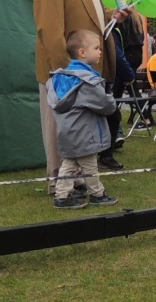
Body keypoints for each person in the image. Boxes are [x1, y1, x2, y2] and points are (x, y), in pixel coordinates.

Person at [34, 0, 129, 194]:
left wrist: (113, 13)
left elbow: (89, 10)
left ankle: (75, 180)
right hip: (63, 71)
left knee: (78, 127)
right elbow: (48, 28)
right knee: (59, 127)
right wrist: (67, 72)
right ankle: (58, 183)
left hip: (83, 70)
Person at [47, 31, 119, 208]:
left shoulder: (61, 77)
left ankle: (62, 196)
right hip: (84, 133)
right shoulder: (86, 81)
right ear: (82, 52)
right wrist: (111, 100)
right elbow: (105, 104)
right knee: (89, 166)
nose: (100, 52)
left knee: (69, 164)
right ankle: (97, 194)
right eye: (96, 48)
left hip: (68, 132)